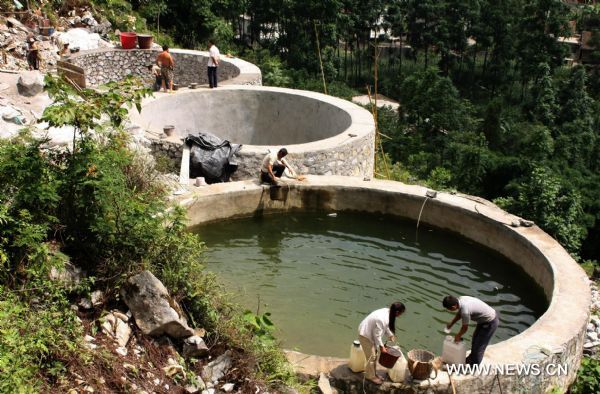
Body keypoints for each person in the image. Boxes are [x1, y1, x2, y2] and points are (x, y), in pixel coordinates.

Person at [357, 302, 406, 385]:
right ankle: (370, 376)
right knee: (371, 357)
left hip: (370, 332)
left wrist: (390, 335)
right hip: (364, 334)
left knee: (374, 355)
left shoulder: (388, 312)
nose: (400, 316)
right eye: (401, 313)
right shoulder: (382, 318)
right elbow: (377, 335)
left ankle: (374, 374)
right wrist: (382, 347)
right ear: (397, 312)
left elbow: (385, 327)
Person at [443, 295, 499, 365]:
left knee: (479, 347)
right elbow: (459, 314)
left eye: (449, 309)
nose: (450, 311)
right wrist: (451, 323)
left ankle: (473, 368)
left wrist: (458, 336)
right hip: (483, 320)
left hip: (490, 322)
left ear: (453, 307)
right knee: (475, 340)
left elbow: (465, 328)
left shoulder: (465, 310)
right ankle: (472, 358)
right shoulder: (460, 299)